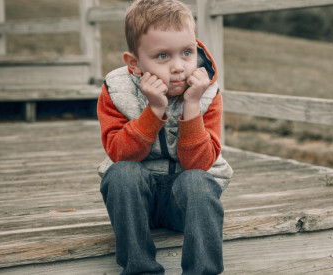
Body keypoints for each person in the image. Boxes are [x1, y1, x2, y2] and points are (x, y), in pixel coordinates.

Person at [96, 0, 232, 274]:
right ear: (134, 63)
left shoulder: (206, 94)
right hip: (137, 204)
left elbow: (200, 164)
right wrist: (154, 110)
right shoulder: (116, 89)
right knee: (121, 174)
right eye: (162, 56)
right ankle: (141, 269)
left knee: (199, 181)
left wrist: (191, 107)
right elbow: (119, 153)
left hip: (185, 206)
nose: (179, 67)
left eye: (186, 52)